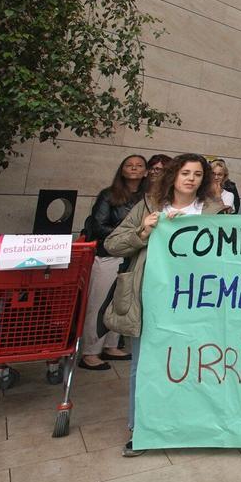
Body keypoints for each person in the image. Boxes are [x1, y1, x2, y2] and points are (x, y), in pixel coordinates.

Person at [104, 153, 227, 457]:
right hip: (150, 302)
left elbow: (232, 251)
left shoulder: (215, 211)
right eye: (186, 172)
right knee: (143, 365)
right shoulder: (148, 207)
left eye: (198, 174)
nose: (191, 179)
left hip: (197, 304)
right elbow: (112, 244)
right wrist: (143, 232)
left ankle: (190, 424)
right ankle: (141, 429)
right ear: (173, 175)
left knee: (193, 363)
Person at [79, 154, 148, 371]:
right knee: (99, 304)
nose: (134, 169)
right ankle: (90, 352)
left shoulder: (148, 198)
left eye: (139, 166)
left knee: (122, 301)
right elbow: (98, 226)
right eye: (129, 165)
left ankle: (111, 346)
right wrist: (131, 234)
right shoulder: (108, 195)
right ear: (122, 169)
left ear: (145, 171)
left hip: (134, 256)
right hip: (109, 254)